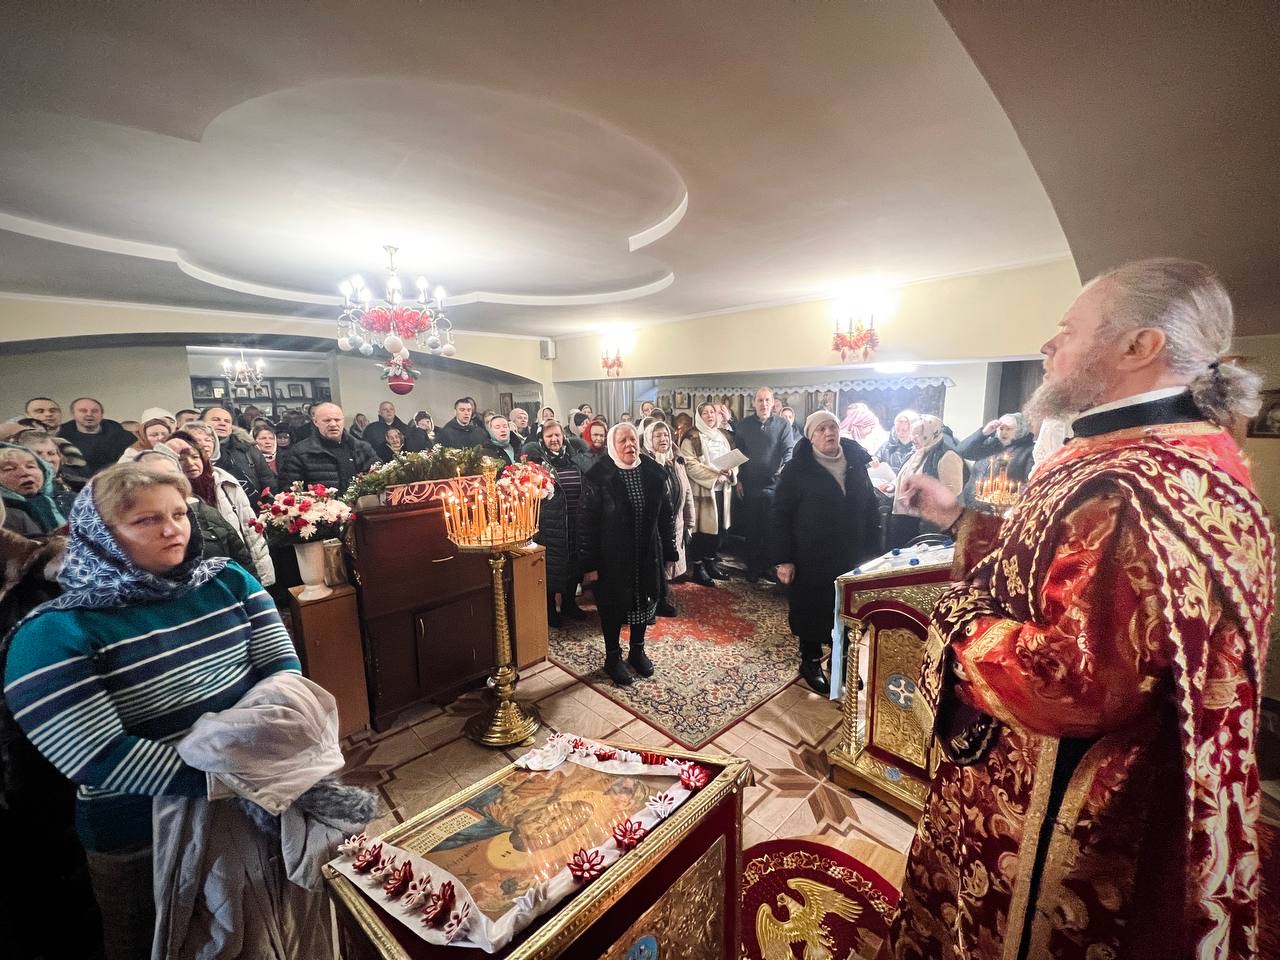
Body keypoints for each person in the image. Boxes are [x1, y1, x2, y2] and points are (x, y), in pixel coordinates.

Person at [883, 258, 1274, 960]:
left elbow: (1069, 680)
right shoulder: (1178, 454)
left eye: (1068, 330)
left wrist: (957, 620)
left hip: (1078, 795)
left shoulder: (1129, 484)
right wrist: (960, 519)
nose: (1048, 345)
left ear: (1139, 346)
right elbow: (1061, 563)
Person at [3, 464, 303, 960]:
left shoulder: (228, 581)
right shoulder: (54, 634)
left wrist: (258, 767)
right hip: (143, 833)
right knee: (159, 944)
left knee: (264, 933)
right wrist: (234, 777)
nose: (172, 529)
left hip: (253, 803)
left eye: (179, 514)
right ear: (99, 534)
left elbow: (282, 674)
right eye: (146, 520)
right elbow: (97, 756)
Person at [770, 411, 881, 694]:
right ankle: (809, 661)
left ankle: (841, 662)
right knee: (812, 608)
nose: (829, 432)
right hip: (810, 554)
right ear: (811, 437)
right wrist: (783, 559)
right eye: (821, 429)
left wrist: (875, 553)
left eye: (832, 426)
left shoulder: (856, 462)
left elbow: (870, 506)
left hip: (852, 553)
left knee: (847, 609)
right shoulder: (798, 469)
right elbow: (780, 515)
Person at [578, 422, 676, 687]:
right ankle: (612, 658)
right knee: (612, 608)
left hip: (646, 553)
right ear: (612, 445)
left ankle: (637, 651)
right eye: (623, 441)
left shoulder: (653, 472)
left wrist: (670, 550)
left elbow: (666, 515)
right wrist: (589, 564)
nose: (629, 445)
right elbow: (586, 523)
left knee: (643, 603)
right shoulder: (598, 476)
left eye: (633, 439)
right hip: (611, 557)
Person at [173, 427, 275, 586]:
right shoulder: (172, 494)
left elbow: (249, 528)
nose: (190, 463)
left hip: (240, 562)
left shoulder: (225, 481)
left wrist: (262, 576)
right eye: (181, 459)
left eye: (195, 456)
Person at [134, 447, 255, 572]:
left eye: (171, 475)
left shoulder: (206, 512)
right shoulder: (135, 528)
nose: (167, 483)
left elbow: (242, 560)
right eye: (155, 477)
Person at [523, 420, 594, 626]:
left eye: (557, 435)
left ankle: (569, 604)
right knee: (553, 568)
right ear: (542, 439)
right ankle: (550, 609)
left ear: (563, 437)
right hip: (551, 524)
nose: (554, 439)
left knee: (573, 566)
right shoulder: (537, 464)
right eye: (549, 436)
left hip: (575, 522)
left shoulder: (574, 459)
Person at [733, 387, 795, 582]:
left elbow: (788, 451)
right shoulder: (743, 426)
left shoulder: (783, 425)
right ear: (754, 403)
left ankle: (768, 567)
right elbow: (738, 455)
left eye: (767, 400)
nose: (764, 404)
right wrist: (738, 480)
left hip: (774, 485)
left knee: (771, 529)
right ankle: (752, 567)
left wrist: (786, 470)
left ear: (773, 402)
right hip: (750, 484)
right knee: (752, 528)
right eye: (760, 400)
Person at [884, 414, 965, 548]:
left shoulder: (947, 456)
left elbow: (952, 491)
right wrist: (893, 485)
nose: (913, 439)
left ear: (930, 434)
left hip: (924, 526)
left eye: (918, 435)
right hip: (903, 521)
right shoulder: (916, 452)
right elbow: (906, 476)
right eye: (913, 434)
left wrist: (919, 494)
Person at [679, 402, 736, 586]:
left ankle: (710, 563)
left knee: (716, 530)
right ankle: (698, 568)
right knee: (701, 531)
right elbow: (690, 464)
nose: (710, 415)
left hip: (722, 490)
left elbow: (733, 458)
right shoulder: (691, 437)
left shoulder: (723, 436)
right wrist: (715, 476)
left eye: (712, 412)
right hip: (702, 491)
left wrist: (731, 472)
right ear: (699, 416)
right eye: (705, 413)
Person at [643, 420, 695, 617]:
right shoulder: (644, 463)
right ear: (649, 439)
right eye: (657, 435)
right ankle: (654, 601)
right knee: (655, 564)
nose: (663, 439)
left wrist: (690, 522)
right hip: (654, 525)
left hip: (675, 521)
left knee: (668, 561)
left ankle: (661, 596)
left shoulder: (676, 460)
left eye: (666, 435)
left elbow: (686, 492)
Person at [277, 402, 377, 492]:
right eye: (327, 420)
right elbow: (290, 490)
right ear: (315, 422)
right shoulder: (299, 452)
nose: (333, 424)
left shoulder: (362, 448)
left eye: (337, 420)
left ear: (343, 421)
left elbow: (378, 480)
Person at [957, 412, 1036, 509]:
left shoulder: (1029, 450)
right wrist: (984, 433)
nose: (1003, 432)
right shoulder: (990, 444)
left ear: (1020, 430)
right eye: (1001, 428)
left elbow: (1030, 481)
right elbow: (962, 451)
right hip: (971, 505)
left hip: (999, 509)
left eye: (1008, 429)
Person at [201, 406, 277, 499]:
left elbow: (267, 480)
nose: (222, 423)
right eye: (216, 419)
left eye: (227, 421)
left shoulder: (248, 449)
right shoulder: (192, 451)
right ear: (201, 423)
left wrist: (269, 502)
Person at [0, 443, 67, 534]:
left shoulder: (65, 501)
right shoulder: (6, 516)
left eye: (31, 466)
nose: (25, 473)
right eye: (9, 469)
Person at [58, 397, 135, 475]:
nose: (89, 414)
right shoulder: (61, 437)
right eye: (83, 411)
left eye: (94, 411)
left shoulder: (122, 436)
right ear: (73, 414)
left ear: (102, 414)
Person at [13, 428, 79, 514]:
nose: (47, 459)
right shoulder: (11, 501)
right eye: (37, 454)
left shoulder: (78, 490)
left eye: (51, 453)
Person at [875, 409, 918, 474]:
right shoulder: (888, 446)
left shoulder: (920, 448)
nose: (900, 433)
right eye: (897, 429)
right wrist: (872, 461)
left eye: (904, 430)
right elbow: (875, 460)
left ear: (914, 429)